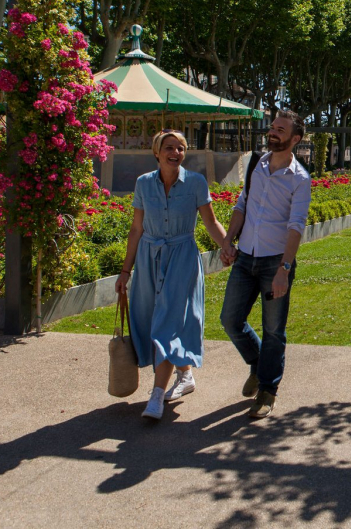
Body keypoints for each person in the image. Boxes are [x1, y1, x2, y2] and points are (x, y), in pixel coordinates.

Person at [115, 130, 228, 421]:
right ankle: (186, 375)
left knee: (165, 326)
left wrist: (230, 249)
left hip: (182, 260)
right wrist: (125, 271)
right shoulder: (143, 184)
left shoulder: (195, 183)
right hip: (149, 260)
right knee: (152, 318)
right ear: (157, 152)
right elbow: (136, 229)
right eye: (169, 147)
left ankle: (156, 396)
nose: (175, 152)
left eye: (180, 148)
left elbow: (211, 222)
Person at [220, 110, 311, 419]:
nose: (273, 133)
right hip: (245, 257)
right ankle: (259, 366)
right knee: (230, 320)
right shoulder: (256, 165)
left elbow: (296, 225)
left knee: (274, 330)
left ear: (294, 139)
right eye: (273, 127)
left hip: (275, 262)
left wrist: (285, 269)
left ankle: (268, 389)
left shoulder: (300, 179)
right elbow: (242, 203)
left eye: (280, 129)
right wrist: (228, 240)